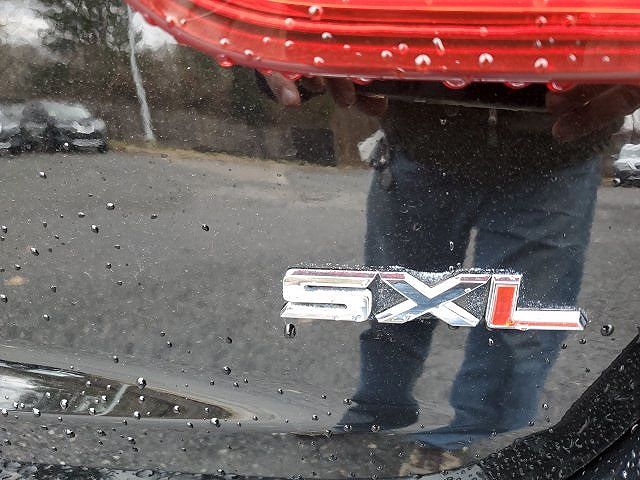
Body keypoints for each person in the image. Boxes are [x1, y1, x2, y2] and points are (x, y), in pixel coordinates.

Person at [264, 74, 640, 472]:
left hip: (552, 155)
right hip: (427, 141)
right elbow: (285, 53)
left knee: (515, 334)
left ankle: (475, 450)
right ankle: (377, 426)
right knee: (394, 309)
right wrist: (283, 51)